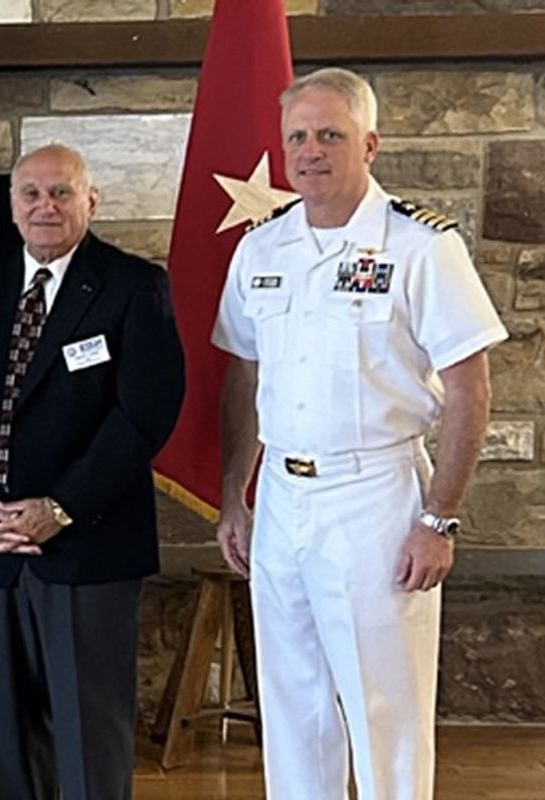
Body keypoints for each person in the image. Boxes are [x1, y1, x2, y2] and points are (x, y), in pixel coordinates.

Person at [213, 67, 507, 800]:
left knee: (386, 710)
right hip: (281, 497)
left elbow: (470, 388)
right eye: (298, 138)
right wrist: (232, 496)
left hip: (374, 496)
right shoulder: (262, 249)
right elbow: (245, 378)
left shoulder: (420, 246)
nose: (311, 152)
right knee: (292, 707)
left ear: (370, 144)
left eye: (330, 135)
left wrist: (438, 520)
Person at [0, 144, 184, 800]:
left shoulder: (132, 286)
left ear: (90, 202)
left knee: (88, 739)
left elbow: (144, 417)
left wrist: (60, 507)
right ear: (10, 206)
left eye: (62, 194)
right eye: (32, 194)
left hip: (87, 547)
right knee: (12, 743)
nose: (46, 206)